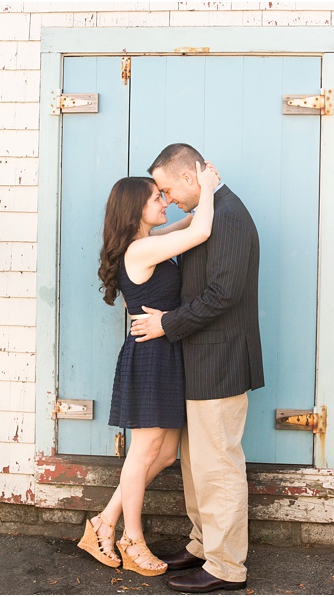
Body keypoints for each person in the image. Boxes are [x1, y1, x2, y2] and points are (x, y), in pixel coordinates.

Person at [131, 143, 264, 593]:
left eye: (168, 188)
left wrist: (166, 323)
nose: (167, 199)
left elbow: (223, 295)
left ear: (190, 177)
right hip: (200, 359)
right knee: (196, 465)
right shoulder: (214, 207)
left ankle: (227, 567)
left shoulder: (227, 215)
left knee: (218, 466)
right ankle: (203, 545)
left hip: (220, 360)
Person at [80, 162, 219, 576]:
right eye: (157, 197)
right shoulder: (140, 251)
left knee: (166, 453)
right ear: (135, 208)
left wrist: (196, 204)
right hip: (150, 355)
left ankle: (103, 521)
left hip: (165, 351)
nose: (164, 202)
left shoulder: (148, 240)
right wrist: (208, 187)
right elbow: (200, 232)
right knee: (143, 454)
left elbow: (187, 224)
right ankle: (131, 539)